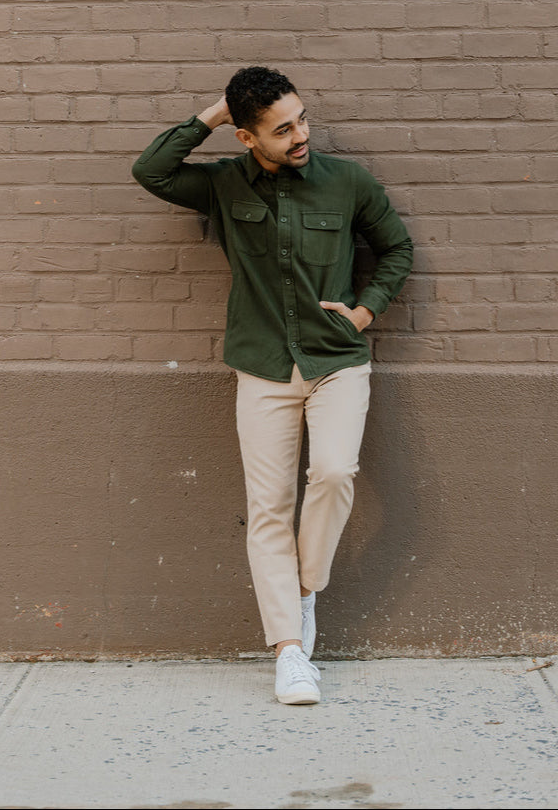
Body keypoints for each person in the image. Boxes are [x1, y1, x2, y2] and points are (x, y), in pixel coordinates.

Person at [132, 66, 412, 705]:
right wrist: (215, 113)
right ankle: (289, 651)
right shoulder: (223, 184)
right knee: (269, 507)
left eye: (301, 119)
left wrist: (364, 312)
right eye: (282, 129)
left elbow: (396, 249)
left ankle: (305, 588)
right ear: (246, 137)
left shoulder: (347, 182)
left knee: (334, 473)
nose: (301, 135)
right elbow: (152, 171)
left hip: (336, 360)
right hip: (261, 364)